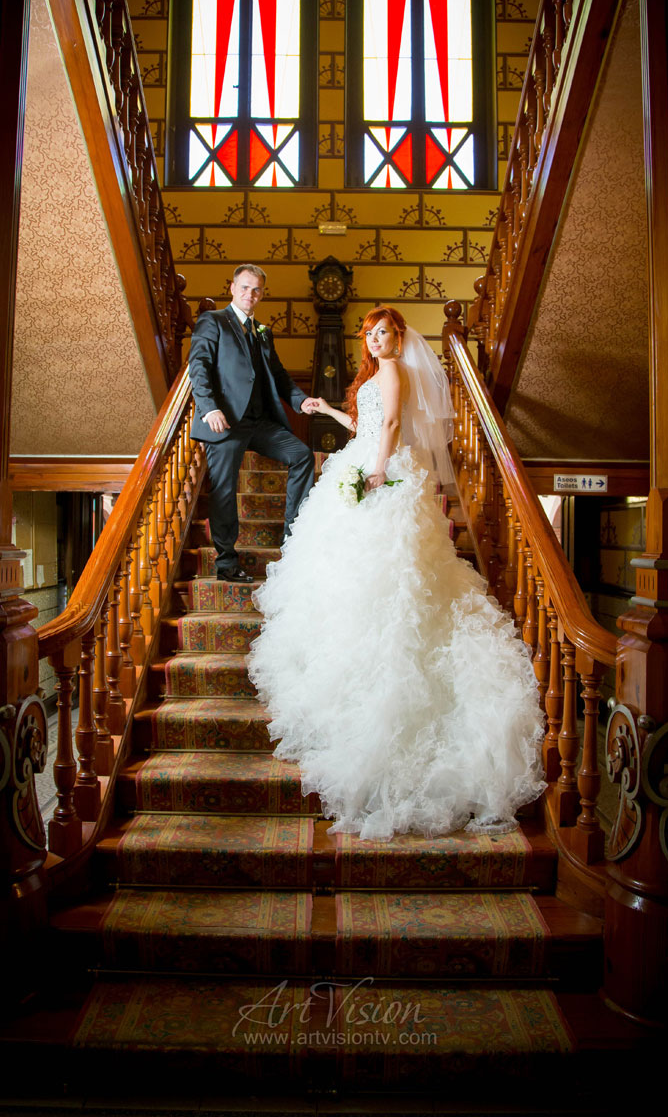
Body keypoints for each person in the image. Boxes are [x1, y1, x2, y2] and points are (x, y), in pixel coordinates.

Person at [247, 306, 545, 841]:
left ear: (399, 336)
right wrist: (326, 414)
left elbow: (387, 426)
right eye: (371, 333)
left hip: (383, 471)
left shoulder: (394, 370)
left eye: (384, 332)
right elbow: (365, 424)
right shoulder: (374, 373)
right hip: (367, 460)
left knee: (394, 575)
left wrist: (379, 469)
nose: (376, 339)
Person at [189, 264, 317, 582]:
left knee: (301, 455)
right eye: (245, 287)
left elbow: (278, 374)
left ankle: (292, 541)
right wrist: (209, 409)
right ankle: (226, 563)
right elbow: (199, 365)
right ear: (232, 287)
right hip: (225, 421)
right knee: (224, 488)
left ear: (262, 293)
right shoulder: (213, 321)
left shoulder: (263, 331)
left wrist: (301, 401)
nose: (251, 294)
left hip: (258, 421)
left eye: (257, 289)